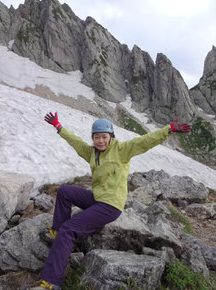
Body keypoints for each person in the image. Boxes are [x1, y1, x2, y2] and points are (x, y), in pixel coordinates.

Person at [37, 112, 191, 289]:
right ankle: (56, 232)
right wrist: (58, 126)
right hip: (97, 199)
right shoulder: (92, 153)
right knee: (64, 191)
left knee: (69, 229)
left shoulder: (122, 150)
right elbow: (76, 142)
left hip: (110, 206)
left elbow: (146, 140)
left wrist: (168, 129)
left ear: (111, 137)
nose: (100, 141)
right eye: (96, 137)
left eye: (104, 137)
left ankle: (51, 282)